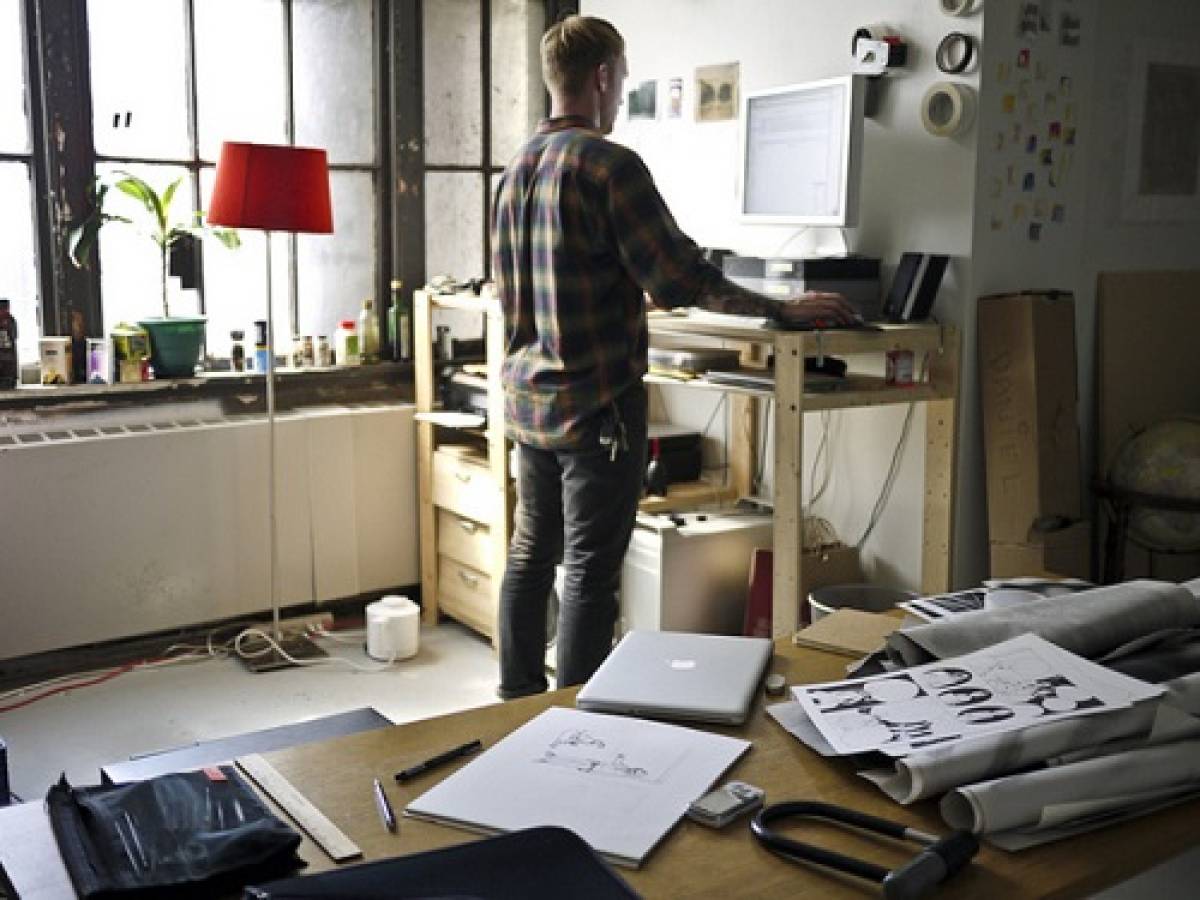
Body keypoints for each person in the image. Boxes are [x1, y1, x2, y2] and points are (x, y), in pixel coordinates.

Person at [491, 15, 861, 699]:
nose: (622, 90)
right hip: (596, 409)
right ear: (603, 77)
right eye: (622, 78)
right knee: (589, 571)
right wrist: (781, 309)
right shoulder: (609, 166)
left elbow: (537, 282)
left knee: (530, 555)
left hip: (531, 405)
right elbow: (684, 278)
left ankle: (517, 702)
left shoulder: (516, 169)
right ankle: (575, 718)